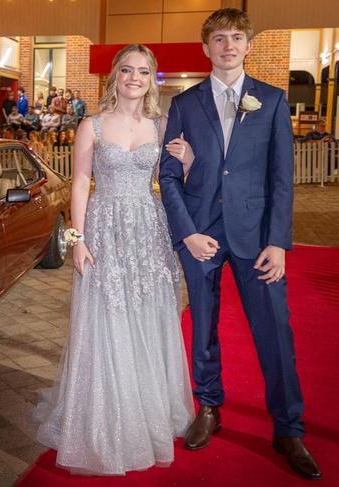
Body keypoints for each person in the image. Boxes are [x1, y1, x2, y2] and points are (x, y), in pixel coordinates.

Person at [158, 8, 321, 481]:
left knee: (275, 331)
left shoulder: (271, 101)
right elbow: (168, 176)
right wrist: (187, 233)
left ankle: (288, 428)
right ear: (205, 48)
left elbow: (281, 179)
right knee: (203, 328)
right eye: (219, 39)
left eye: (236, 38)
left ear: (248, 46)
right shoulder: (185, 104)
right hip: (202, 234)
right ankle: (209, 406)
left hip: (257, 239)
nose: (228, 45)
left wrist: (279, 242)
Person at [34, 44, 194, 475]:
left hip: (146, 227)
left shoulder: (162, 126)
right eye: (127, 70)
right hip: (104, 228)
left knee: (148, 313)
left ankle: (149, 411)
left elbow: (179, 180)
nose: (135, 78)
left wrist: (189, 160)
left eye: (143, 71)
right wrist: (77, 238)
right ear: (115, 76)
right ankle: (106, 418)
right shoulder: (92, 125)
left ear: (151, 78)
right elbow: (81, 183)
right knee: (106, 317)